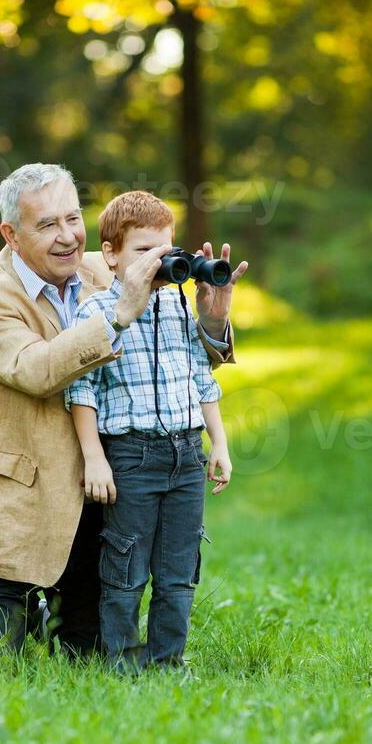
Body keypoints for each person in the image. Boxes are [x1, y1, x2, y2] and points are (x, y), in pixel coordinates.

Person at [0, 163, 246, 655]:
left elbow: (176, 352)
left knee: (87, 652)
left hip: (97, 506)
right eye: (46, 225)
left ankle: (44, 615)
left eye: (72, 218)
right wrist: (116, 314)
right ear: (12, 234)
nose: (67, 237)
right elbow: (37, 370)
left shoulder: (101, 268)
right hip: (15, 515)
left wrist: (212, 319)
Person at [65, 192, 235, 671]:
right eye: (143, 251)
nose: (157, 261)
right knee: (126, 567)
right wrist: (94, 458)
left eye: (164, 249)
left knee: (179, 572)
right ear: (111, 254)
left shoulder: (180, 308)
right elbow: (82, 390)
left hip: (186, 454)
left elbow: (202, 377)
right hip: (131, 456)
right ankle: (121, 661)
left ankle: (167, 663)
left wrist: (217, 442)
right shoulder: (95, 312)